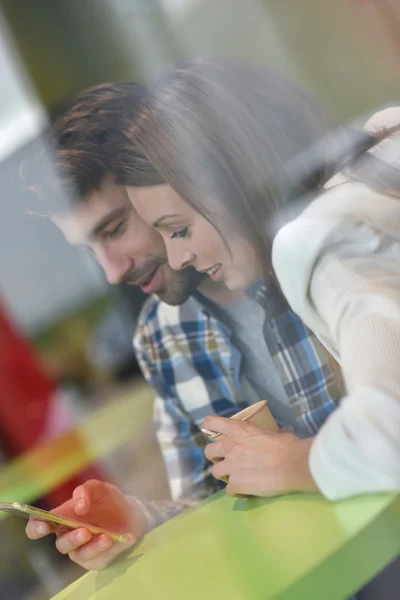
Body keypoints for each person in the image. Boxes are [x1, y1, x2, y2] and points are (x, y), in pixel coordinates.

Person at [21, 80, 345, 570]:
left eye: (114, 230)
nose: (112, 271)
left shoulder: (321, 255)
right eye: (90, 250)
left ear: (161, 183)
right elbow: (210, 502)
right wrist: (137, 520)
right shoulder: (160, 336)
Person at [128, 56, 400, 502]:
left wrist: (287, 463)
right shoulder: (376, 171)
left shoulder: (319, 242)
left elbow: (389, 435)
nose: (177, 258)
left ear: (236, 187)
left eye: (179, 228)